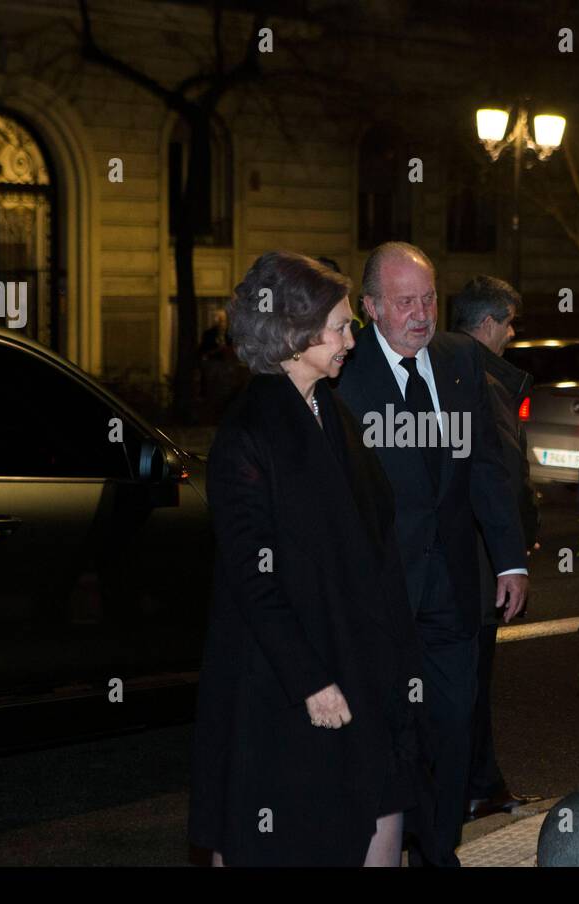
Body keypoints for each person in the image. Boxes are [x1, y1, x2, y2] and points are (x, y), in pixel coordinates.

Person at [188, 251, 434, 867]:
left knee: (379, 811)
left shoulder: (330, 410)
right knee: (276, 830)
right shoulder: (249, 432)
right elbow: (252, 575)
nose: (353, 338)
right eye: (342, 326)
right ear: (296, 335)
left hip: (355, 660)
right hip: (282, 683)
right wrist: (311, 680)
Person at [334, 241, 528, 865]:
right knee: (391, 734)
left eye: (427, 299)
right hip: (380, 596)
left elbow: (489, 469)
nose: (420, 314)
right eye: (403, 302)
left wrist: (511, 558)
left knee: (451, 727)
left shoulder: (461, 360)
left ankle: (440, 850)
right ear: (369, 308)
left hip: (451, 590)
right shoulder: (341, 370)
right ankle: (385, 845)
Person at [450, 275, 538, 822]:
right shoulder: (485, 381)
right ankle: (474, 787)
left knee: (465, 680)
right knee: (471, 680)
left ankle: (477, 783)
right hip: (481, 563)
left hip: (467, 557)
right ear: (488, 324)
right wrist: (515, 548)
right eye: (508, 324)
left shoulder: (445, 371)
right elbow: (502, 472)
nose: (511, 334)